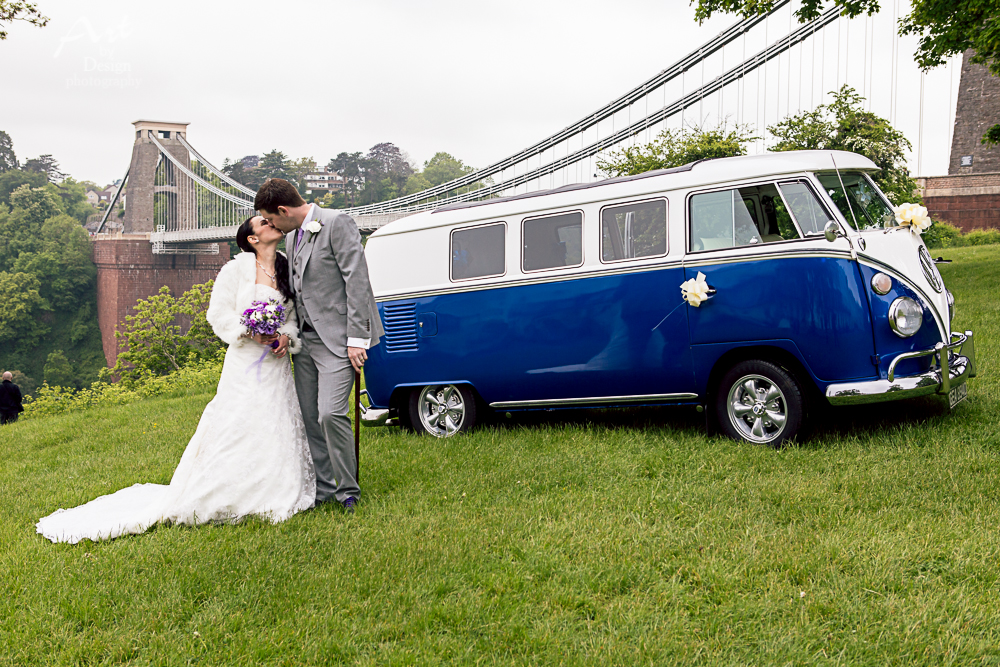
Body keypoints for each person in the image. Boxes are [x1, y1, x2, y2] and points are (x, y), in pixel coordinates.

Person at [36, 217, 315, 544]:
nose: (273, 224)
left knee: (275, 421)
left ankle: (275, 489)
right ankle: (227, 491)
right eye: (265, 223)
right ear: (253, 239)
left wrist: (285, 337)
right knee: (239, 421)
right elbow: (218, 315)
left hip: (274, 364)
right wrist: (246, 330)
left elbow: (293, 318)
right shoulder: (234, 271)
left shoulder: (285, 268)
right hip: (243, 361)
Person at [255, 179, 383, 512]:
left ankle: (348, 491)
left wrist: (357, 338)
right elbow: (295, 291)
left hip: (339, 340)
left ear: (283, 211)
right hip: (305, 342)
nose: (271, 226)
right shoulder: (294, 234)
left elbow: (356, 280)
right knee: (311, 417)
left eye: (271, 219)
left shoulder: (336, 222)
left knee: (330, 414)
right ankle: (324, 488)